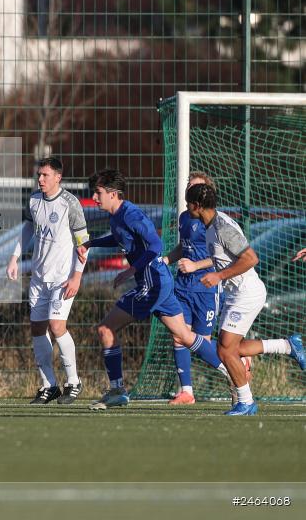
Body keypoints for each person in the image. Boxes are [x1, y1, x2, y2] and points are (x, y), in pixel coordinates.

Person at [77, 169, 230, 411]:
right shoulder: (117, 216)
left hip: (152, 284)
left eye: (98, 193)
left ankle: (117, 390)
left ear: (113, 194)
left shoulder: (131, 215)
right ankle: (233, 370)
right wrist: (91, 243)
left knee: (106, 328)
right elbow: (119, 237)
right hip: (160, 282)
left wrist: (131, 269)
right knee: (184, 336)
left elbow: (156, 244)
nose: (94, 197)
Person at [184, 183, 306, 415]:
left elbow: (251, 259)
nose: (186, 207)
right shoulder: (211, 225)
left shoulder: (221, 227)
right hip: (236, 293)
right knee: (232, 348)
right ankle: (287, 345)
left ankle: (246, 402)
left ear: (197, 205)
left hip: (246, 293)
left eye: (188, 203)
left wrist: (218, 276)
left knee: (225, 351)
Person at [7, 157, 88, 405]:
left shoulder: (69, 203)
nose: (40, 179)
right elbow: (27, 229)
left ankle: (73, 381)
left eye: (45, 175)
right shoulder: (34, 200)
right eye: (39, 175)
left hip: (62, 279)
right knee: (37, 328)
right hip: (39, 278)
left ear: (58, 177)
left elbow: (84, 243)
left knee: (57, 325)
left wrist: (76, 276)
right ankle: (49, 385)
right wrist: (14, 258)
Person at [160, 172, 222, 405]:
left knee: (201, 342)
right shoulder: (185, 217)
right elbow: (184, 247)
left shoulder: (214, 221)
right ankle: (187, 391)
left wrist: (196, 265)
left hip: (206, 286)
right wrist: (167, 259)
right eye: (189, 186)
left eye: (196, 187)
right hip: (183, 286)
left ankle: (238, 357)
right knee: (179, 336)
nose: (191, 190)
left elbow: (221, 257)